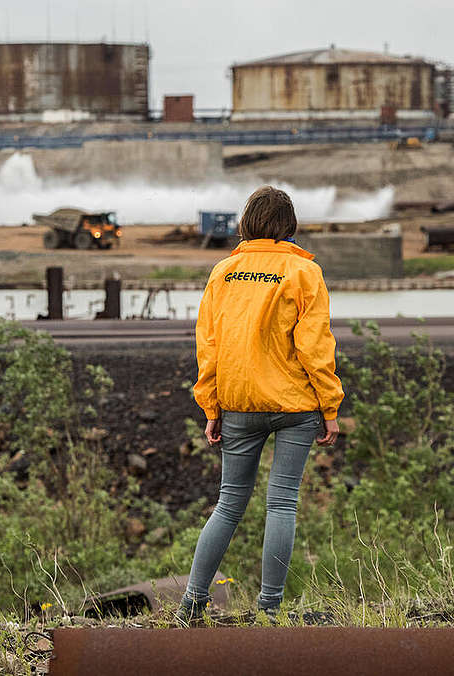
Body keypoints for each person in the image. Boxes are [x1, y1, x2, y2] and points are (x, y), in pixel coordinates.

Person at [177, 185, 344, 625]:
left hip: (238, 404)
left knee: (228, 504)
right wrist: (330, 406)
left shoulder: (223, 272)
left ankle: (191, 604)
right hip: (295, 405)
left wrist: (210, 407)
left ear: (246, 224)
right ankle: (270, 609)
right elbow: (315, 348)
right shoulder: (304, 273)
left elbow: (208, 346)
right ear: (289, 227)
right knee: (282, 504)